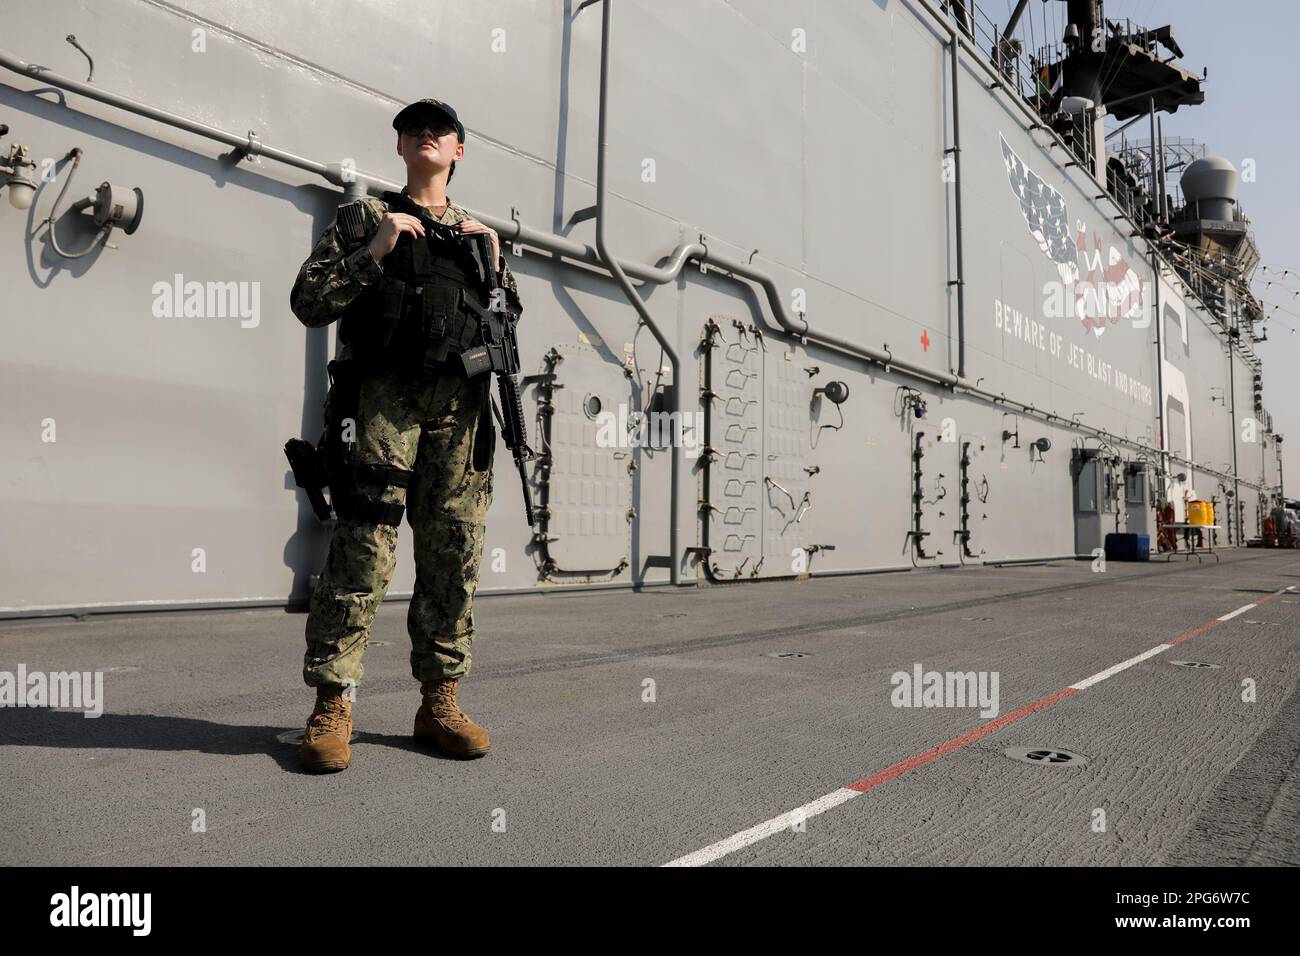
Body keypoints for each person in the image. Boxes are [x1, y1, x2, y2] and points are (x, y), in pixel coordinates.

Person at [288, 98, 523, 773]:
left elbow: (505, 328)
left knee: (453, 558)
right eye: (414, 128)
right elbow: (311, 301)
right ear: (399, 147)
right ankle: (333, 707)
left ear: (459, 151)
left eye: (440, 130)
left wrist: (497, 262)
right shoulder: (365, 218)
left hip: (461, 418)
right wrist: (376, 250)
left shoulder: (480, 235)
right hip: (385, 408)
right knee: (362, 553)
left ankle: (439, 704)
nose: (427, 134)